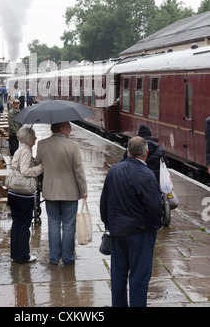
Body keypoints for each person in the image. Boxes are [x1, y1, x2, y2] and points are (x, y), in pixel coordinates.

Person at [100, 136, 163, 307]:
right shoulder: (147, 174)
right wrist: (154, 226)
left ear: (128, 151)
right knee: (139, 277)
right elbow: (155, 207)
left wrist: (109, 224)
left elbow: (104, 201)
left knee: (118, 276)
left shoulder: (114, 171)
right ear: (146, 153)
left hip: (118, 232)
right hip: (140, 233)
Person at [35, 122, 87, 265]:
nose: (71, 131)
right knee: (69, 225)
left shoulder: (42, 144)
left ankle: (54, 257)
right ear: (62, 129)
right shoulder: (73, 146)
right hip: (70, 191)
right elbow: (79, 171)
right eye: (69, 128)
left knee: (53, 223)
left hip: (50, 191)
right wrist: (83, 190)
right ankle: (68, 257)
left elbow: (37, 165)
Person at [8, 126, 43, 263]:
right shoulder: (26, 151)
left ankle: (15, 253)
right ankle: (23, 255)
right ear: (29, 138)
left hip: (13, 192)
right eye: (34, 137)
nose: (35, 139)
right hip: (23, 194)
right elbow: (25, 171)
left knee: (16, 224)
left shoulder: (19, 149)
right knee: (24, 225)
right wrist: (41, 167)